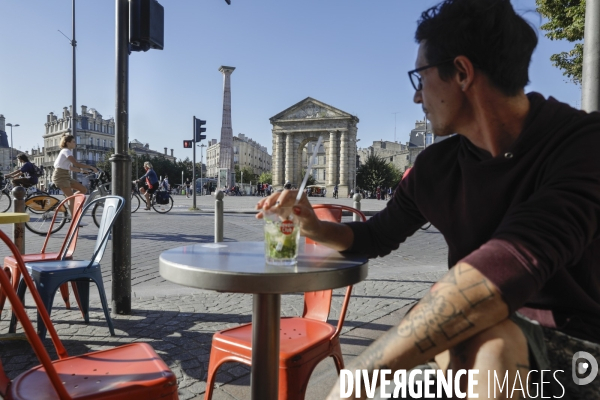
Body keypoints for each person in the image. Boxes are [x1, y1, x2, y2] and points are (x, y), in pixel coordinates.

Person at [257, 0, 600, 398]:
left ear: (461, 73)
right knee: (474, 336)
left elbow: (507, 267)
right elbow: (377, 237)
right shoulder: (436, 166)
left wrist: (358, 378)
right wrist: (314, 226)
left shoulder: (583, 144)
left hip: (578, 357)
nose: (417, 97)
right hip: (473, 349)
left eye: (419, 78)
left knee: (486, 337)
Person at [52, 135, 98, 224]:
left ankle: (69, 202)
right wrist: (91, 167)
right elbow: (76, 163)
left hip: (66, 175)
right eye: (73, 141)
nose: (75, 143)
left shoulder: (67, 152)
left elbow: (70, 167)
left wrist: (82, 171)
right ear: (68, 143)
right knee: (71, 198)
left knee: (83, 189)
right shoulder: (66, 151)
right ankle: (75, 220)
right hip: (60, 176)